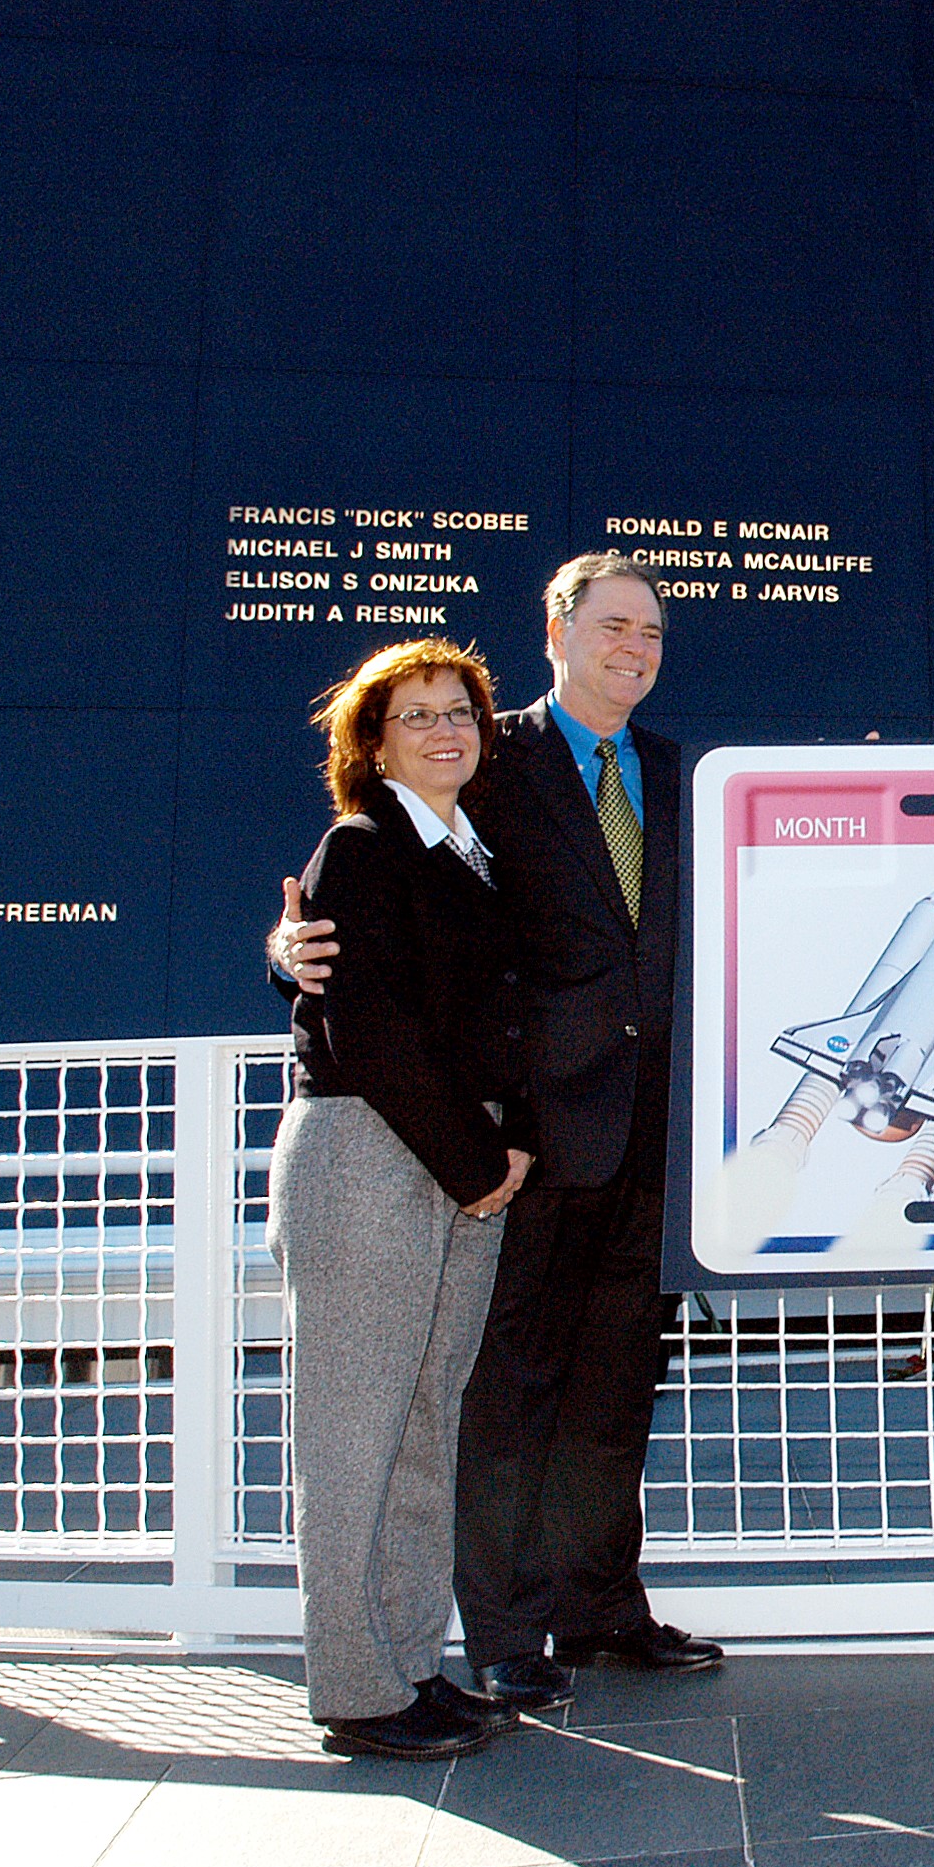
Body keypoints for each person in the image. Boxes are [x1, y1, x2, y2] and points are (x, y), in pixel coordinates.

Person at [278, 553, 718, 1713]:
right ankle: (505, 1631)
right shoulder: (488, 753)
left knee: (617, 1385)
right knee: (506, 1388)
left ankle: (601, 1608)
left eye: (654, 634)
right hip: (525, 1136)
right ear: (557, 629)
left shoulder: (682, 776)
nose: (637, 648)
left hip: (654, 1136)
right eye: (616, 625)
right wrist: (286, 957)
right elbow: (370, 893)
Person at [270, 638, 534, 1759]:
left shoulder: (474, 850)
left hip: (458, 1165)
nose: (444, 731)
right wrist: (480, 1168)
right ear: (371, 743)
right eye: (416, 715)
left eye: (461, 712)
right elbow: (363, 1029)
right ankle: (357, 1691)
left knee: (424, 1426)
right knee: (353, 1437)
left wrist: (501, 1152)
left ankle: (412, 1665)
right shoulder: (363, 845)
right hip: (372, 1163)